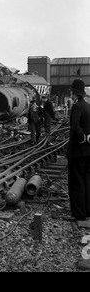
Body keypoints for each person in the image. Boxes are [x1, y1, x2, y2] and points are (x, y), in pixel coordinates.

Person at [67, 79, 90, 221]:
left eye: (72, 93)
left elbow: (75, 127)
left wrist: (82, 138)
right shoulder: (89, 106)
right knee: (87, 180)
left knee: (76, 182)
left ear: (75, 94)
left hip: (77, 152)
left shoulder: (76, 107)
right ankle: (87, 210)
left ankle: (79, 213)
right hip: (89, 151)